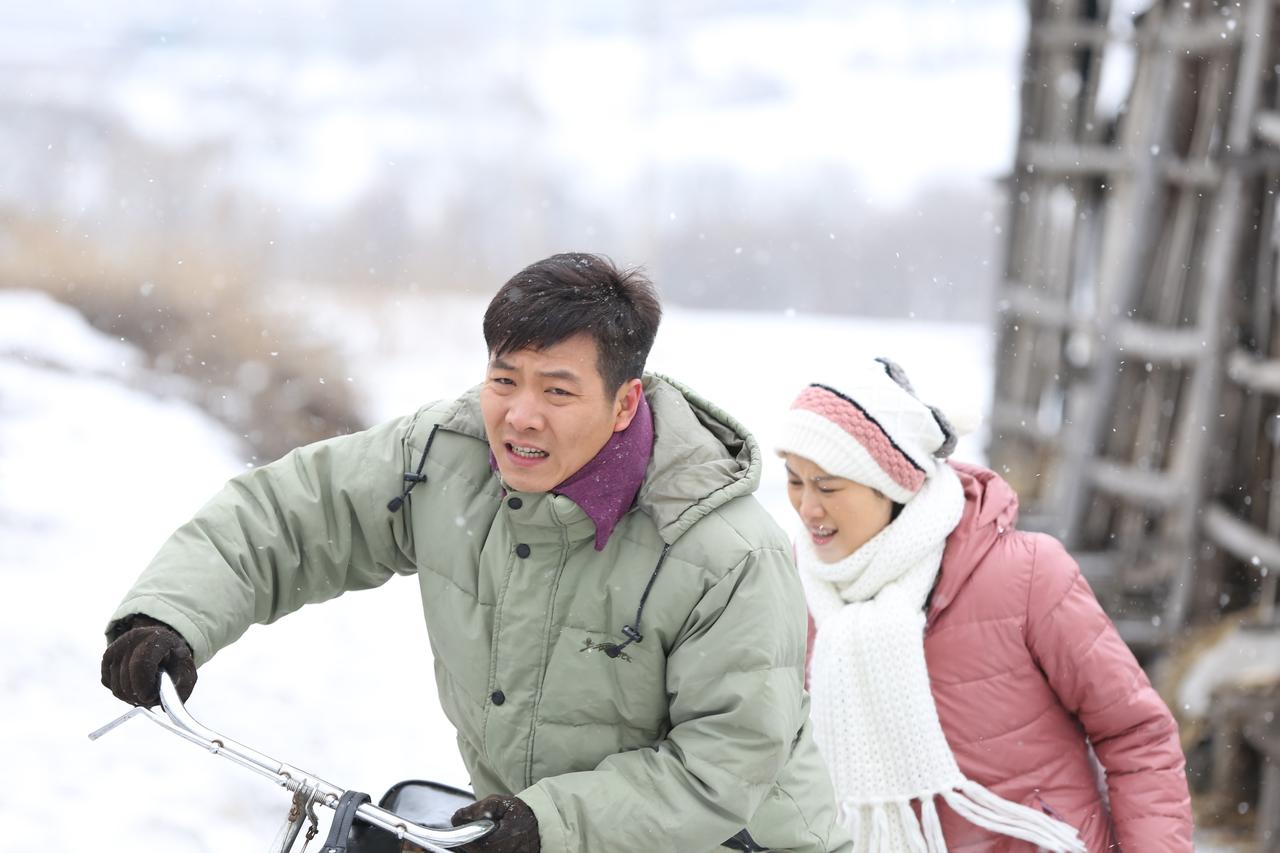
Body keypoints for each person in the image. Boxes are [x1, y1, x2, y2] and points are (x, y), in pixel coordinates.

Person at [100, 253, 850, 853]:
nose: (520, 414)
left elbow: (722, 766)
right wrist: (169, 615)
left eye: (558, 391)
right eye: (504, 379)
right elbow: (296, 514)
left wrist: (547, 823)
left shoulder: (726, 552)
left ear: (625, 403)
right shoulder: (442, 457)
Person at [774, 358, 1193, 852]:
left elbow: (1136, 735)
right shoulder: (796, 590)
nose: (807, 508)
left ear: (894, 487)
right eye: (795, 481)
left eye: (828, 486)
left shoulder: (1027, 575)